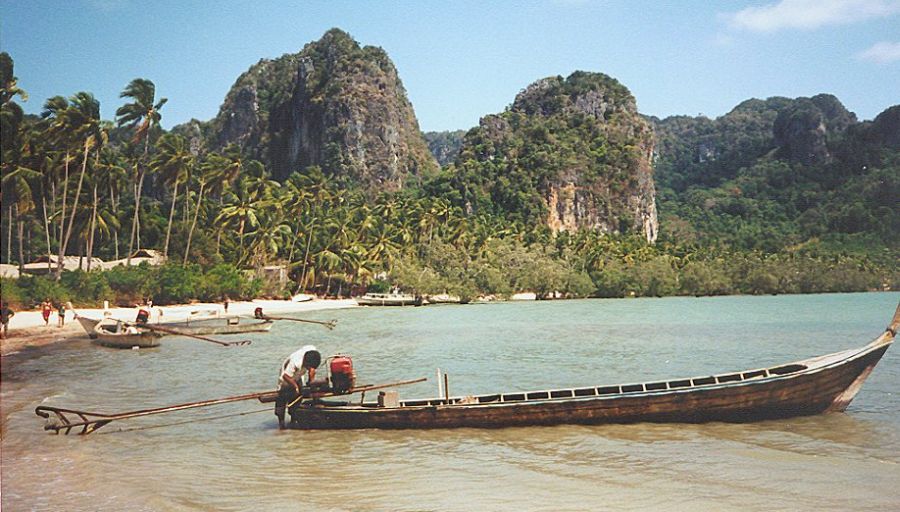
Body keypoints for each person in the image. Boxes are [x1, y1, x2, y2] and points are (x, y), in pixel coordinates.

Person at [275, 345, 322, 429]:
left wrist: (311, 382)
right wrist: (295, 386)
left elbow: (312, 369)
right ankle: (281, 424)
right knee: (282, 396)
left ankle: (293, 420)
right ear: (306, 363)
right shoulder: (295, 362)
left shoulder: (312, 352)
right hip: (286, 376)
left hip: (299, 374)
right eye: (309, 367)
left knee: (299, 395)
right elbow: (285, 376)